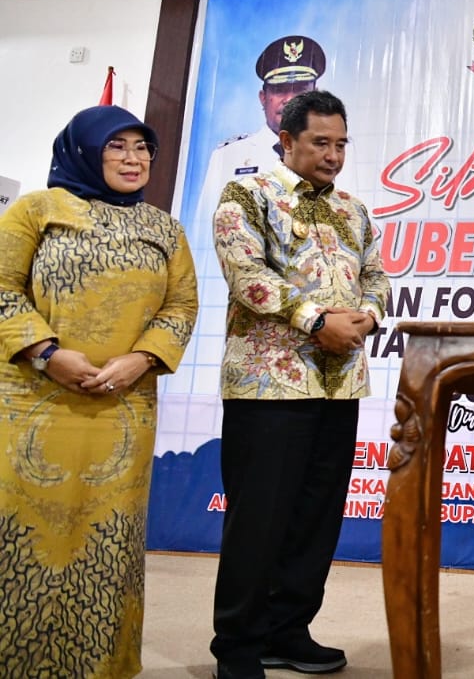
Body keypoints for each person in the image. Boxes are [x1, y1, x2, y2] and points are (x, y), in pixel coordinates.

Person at [0, 105, 198, 676]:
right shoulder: (37, 210)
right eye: (116, 146)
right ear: (84, 150)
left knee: (109, 541)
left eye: (142, 148)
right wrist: (47, 354)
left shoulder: (164, 228)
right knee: (22, 539)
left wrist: (143, 358)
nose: (133, 159)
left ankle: (100, 666)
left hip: (123, 408)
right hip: (32, 404)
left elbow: (182, 305)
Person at [208, 90, 390, 679]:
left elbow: (377, 275)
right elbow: (246, 275)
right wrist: (315, 320)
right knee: (258, 521)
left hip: (340, 386)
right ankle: (237, 647)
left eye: (341, 144)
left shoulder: (355, 211)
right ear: (286, 140)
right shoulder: (247, 195)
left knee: (316, 518)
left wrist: (368, 316)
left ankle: (288, 631)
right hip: (268, 386)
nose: (333, 155)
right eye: (320, 142)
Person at [194, 34, 326, 234]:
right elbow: (203, 233)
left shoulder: (337, 155)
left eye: (299, 89)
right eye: (280, 90)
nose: (289, 99)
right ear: (263, 98)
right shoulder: (227, 156)